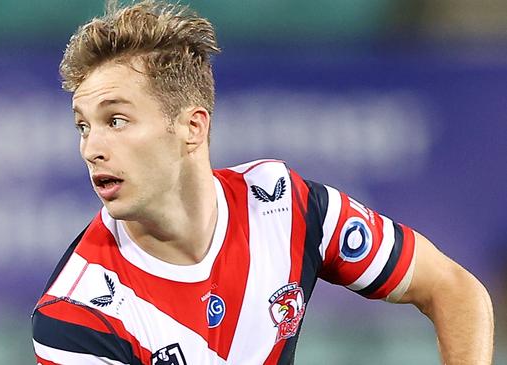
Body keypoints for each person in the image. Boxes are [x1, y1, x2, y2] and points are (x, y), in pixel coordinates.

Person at [31, 1, 494, 364]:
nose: (91, 148)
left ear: (193, 127)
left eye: (115, 120)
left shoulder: (281, 203)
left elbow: (454, 289)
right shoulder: (76, 313)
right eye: (83, 126)